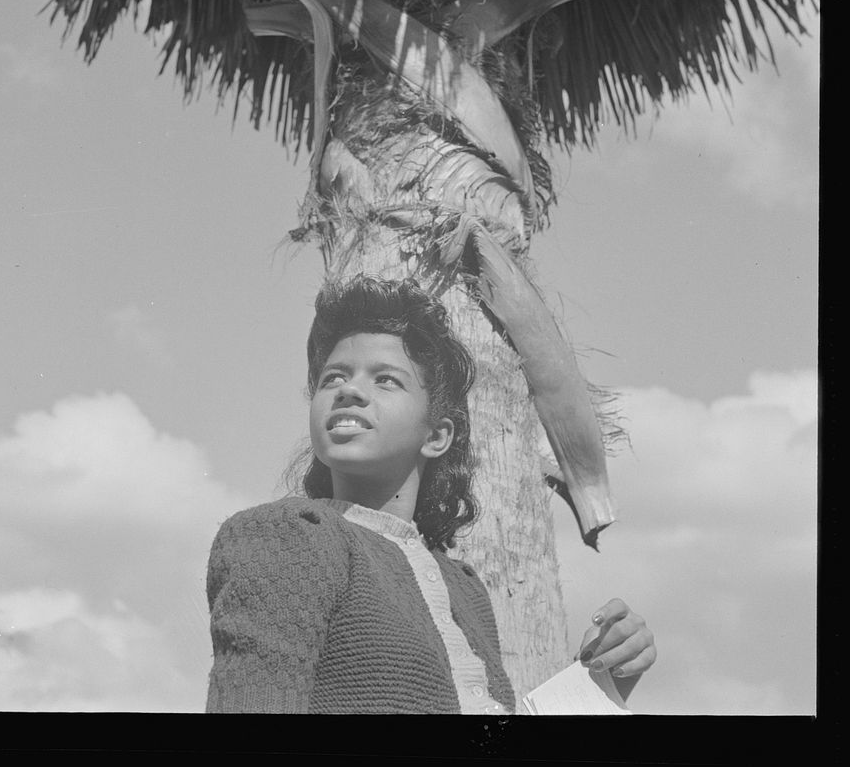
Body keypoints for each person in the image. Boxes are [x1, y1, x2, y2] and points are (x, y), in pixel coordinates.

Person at [205, 275, 655, 714]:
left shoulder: (465, 589)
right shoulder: (285, 537)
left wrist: (601, 677)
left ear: (436, 436)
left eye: (386, 380)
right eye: (333, 378)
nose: (348, 390)